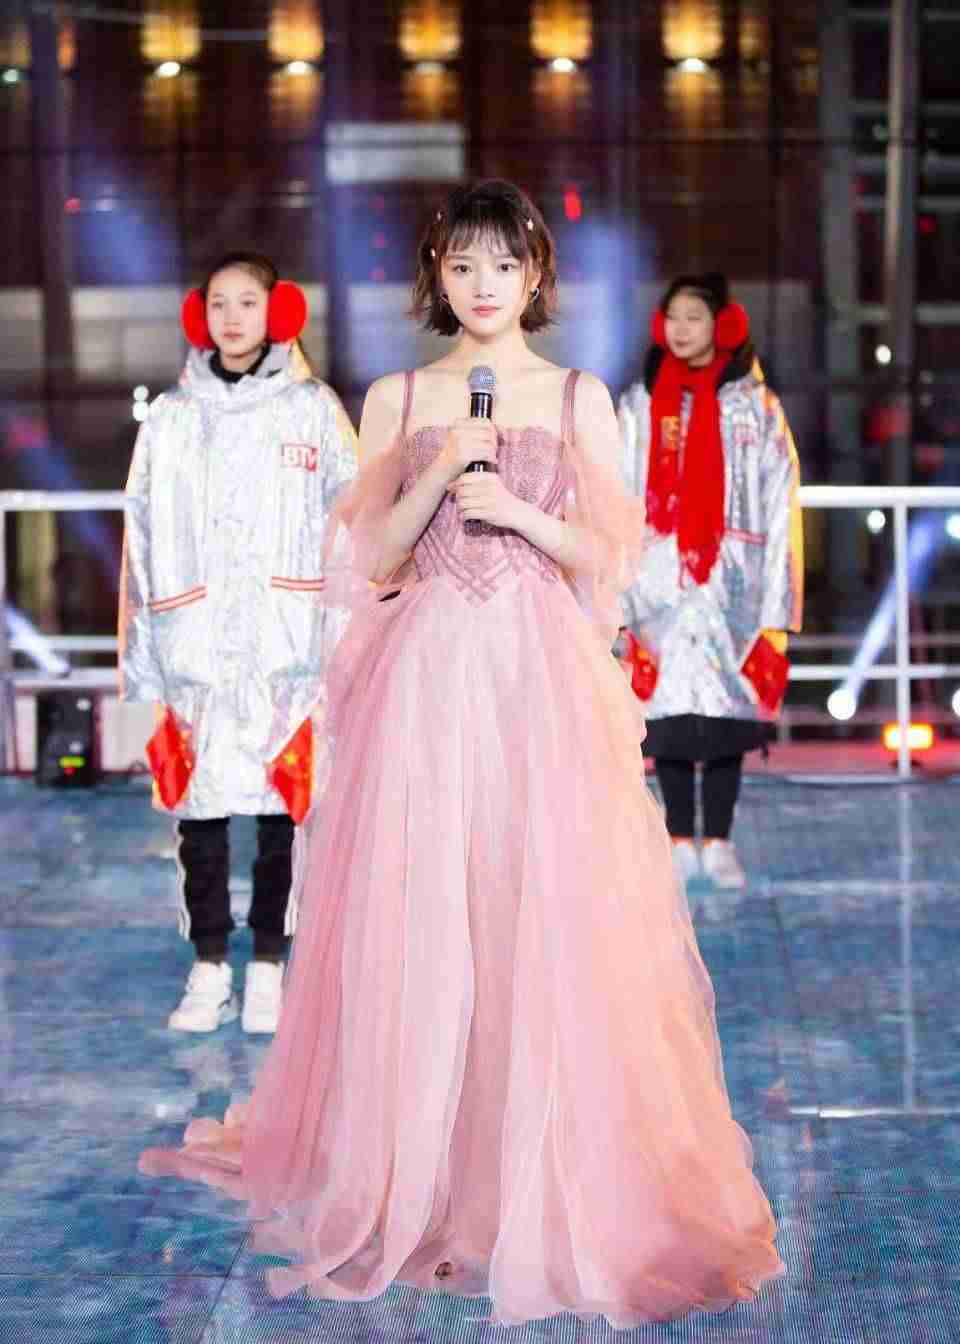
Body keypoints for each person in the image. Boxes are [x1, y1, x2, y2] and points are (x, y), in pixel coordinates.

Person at [141, 184, 783, 1326]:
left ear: (536, 276)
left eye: (504, 266)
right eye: (462, 266)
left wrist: (519, 512)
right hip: (426, 684)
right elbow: (373, 562)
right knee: (427, 915)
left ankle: (538, 1171)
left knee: (539, 918)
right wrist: (441, 473)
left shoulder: (579, 397)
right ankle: (423, 1175)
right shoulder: (397, 396)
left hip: (539, 683)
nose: (484, 287)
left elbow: (612, 560)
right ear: (436, 277)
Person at [119, 251, 357, 1034]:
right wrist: (146, 659)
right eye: (218, 302)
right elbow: (141, 536)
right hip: (194, 649)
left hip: (289, 648)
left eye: (247, 302)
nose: (231, 318)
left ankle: (269, 966)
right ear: (199, 315)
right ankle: (209, 965)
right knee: (201, 813)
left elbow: (350, 524)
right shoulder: (172, 419)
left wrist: (341, 641)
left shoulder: (313, 410)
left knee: (284, 810)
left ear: (277, 310)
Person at [618, 274, 803, 890]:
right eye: (673, 317)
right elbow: (614, 492)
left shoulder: (756, 407)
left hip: (733, 585)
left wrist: (777, 604)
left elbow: (780, 502)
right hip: (657, 583)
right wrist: (617, 590)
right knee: (667, 716)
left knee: (726, 716)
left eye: (694, 317)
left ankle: (720, 840)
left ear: (723, 325)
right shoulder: (640, 404)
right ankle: (677, 840)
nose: (681, 329)